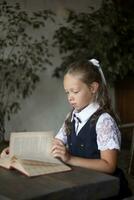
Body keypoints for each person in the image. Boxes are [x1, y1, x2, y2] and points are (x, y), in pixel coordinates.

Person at [51, 58, 132, 199]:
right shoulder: (70, 117)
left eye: (75, 92)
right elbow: (56, 143)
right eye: (67, 93)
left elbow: (109, 165)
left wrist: (69, 158)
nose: (70, 98)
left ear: (93, 88)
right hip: (81, 184)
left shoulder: (104, 121)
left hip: (106, 189)